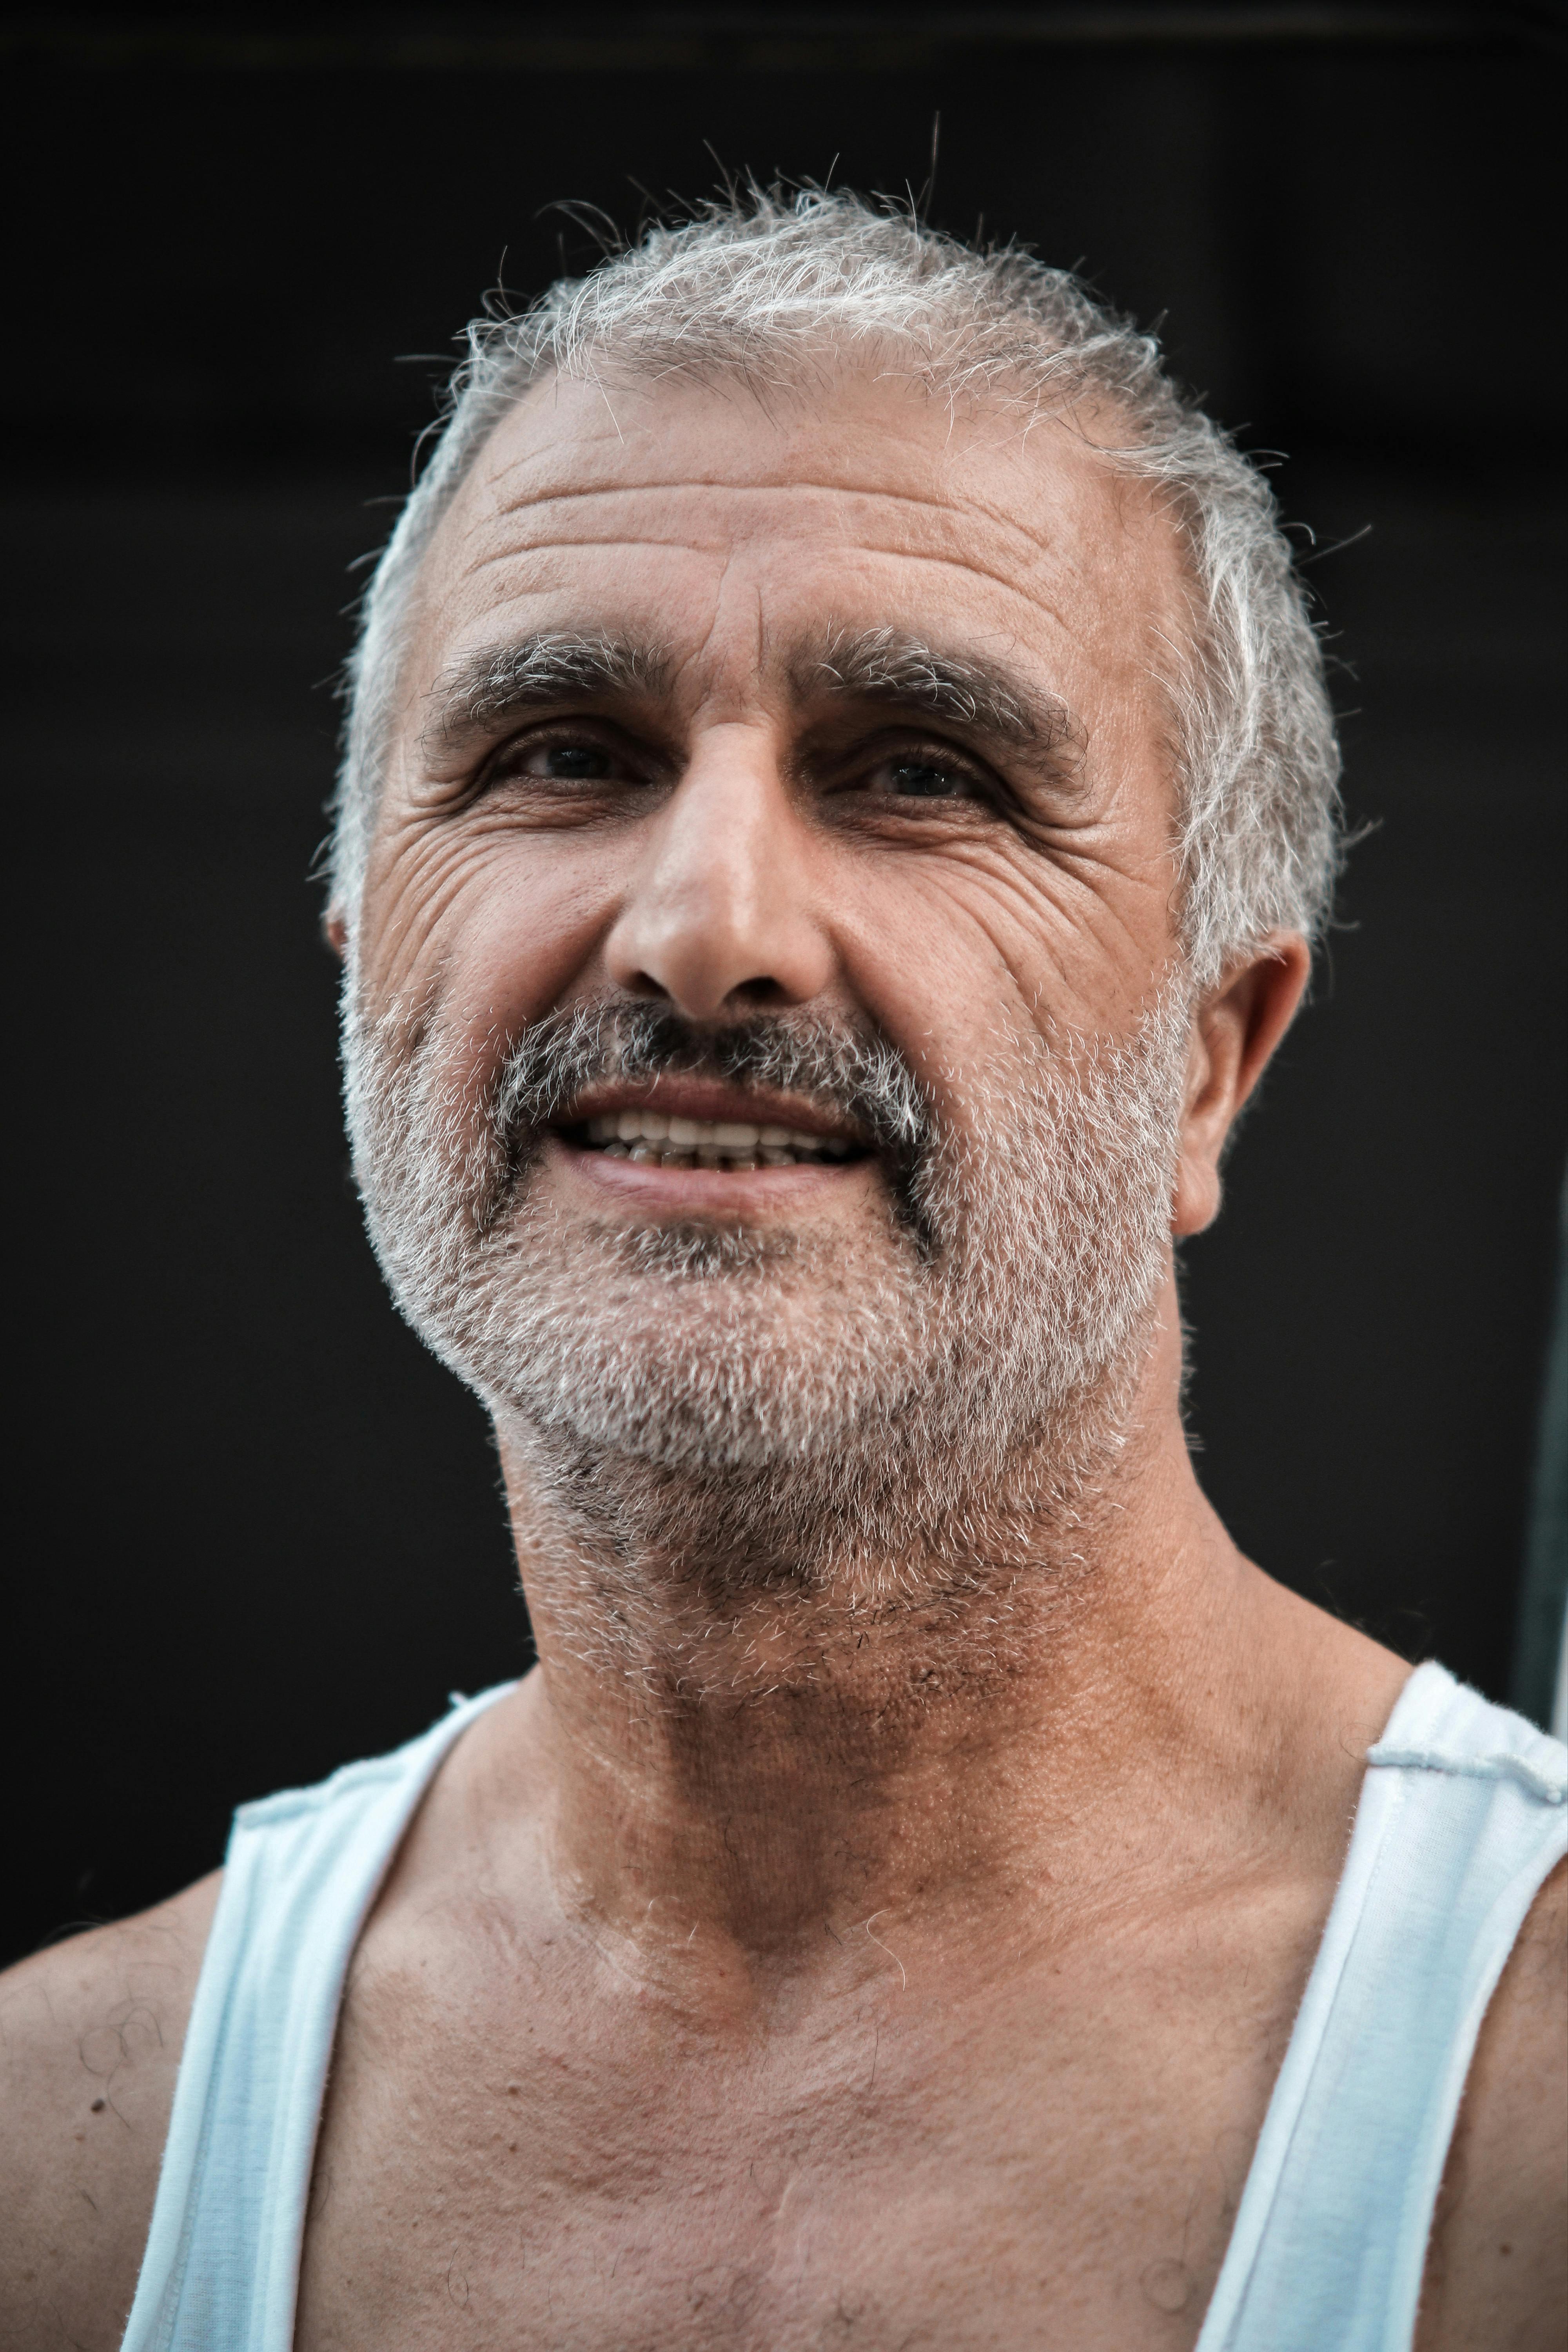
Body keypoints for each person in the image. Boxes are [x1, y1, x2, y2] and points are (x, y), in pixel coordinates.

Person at [2, 190, 1563, 2352]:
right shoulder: (66, 2156)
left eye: (921, 774)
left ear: (1213, 1060)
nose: (702, 924)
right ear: (366, 970)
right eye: (567, 752)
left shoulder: (1531, 2104)